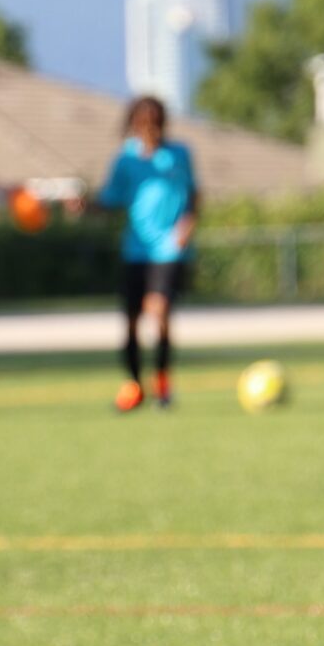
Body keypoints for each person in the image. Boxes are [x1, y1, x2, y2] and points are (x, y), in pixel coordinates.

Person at [98, 96, 198, 411]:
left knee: (159, 310)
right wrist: (83, 204)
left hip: (169, 249)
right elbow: (109, 199)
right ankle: (134, 386)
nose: (150, 127)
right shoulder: (126, 159)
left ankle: (163, 385)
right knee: (130, 321)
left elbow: (195, 196)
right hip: (135, 249)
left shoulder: (179, 154)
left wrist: (186, 227)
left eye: (155, 121)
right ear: (134, 124)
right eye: (144, 121)